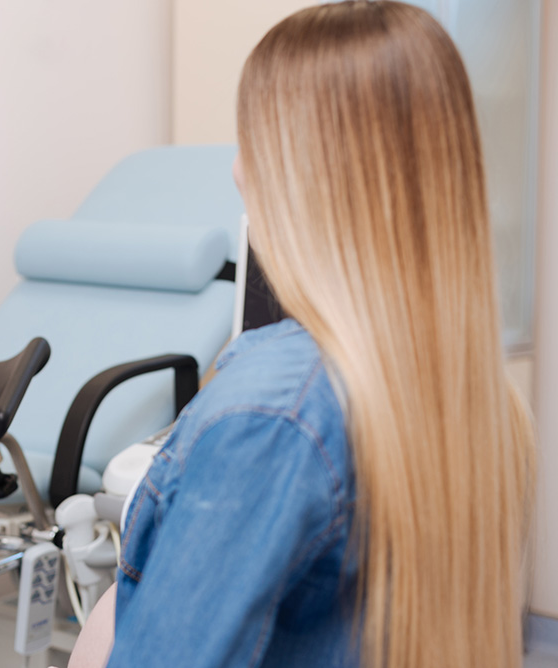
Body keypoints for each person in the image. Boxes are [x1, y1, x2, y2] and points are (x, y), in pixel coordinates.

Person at [72, 2, 536, 667]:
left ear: (306, 171)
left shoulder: (273, 410)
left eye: (252, 138)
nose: (237, 169)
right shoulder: (483, 396)